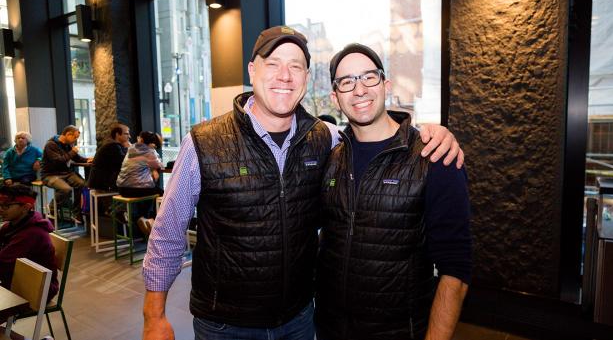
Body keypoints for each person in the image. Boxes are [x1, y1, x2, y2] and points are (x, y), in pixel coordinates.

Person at [142, 26, 463, 340]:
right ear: (253, 71)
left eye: (295, 66)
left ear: (306, 80)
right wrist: (153, 317)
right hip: (226, 325)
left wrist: (430, 134)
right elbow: (168, 233)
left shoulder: (326, 140)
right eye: (273, 64)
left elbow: (380, 135)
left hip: (298, 320)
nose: (285, 75)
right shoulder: (204, 142)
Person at [314, 44, 471, 340]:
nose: (359, 89)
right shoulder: (331, 159)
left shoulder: (434, 158)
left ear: (386, 85)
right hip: (330, 329)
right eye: (346, 82)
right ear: (335, 98)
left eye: (369, 77)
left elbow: (456, 271)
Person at [0, 184, 59, 302]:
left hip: (37, 289)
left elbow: (1, 262)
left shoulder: (32, 233)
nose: (0, 209)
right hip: (18, 279)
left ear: (26, 207)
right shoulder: (10, 226)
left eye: (6, 206)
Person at [41, 125, 92, 223]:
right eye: (75, 137)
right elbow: (58, 161)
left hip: (66, 173)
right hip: (50, 175)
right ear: (68, 134)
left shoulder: (68, 145)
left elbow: (76, 158)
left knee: (83, 185)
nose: (75, 140)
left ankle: (76, 213)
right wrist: (72, 152)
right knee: (66, 189)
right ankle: (52, 207)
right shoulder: (50, 145)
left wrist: (88, 160)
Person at [116, 131, 164, 230]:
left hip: (121, 188)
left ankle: (141, 217)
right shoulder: (149, 152)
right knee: (160, 192)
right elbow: (159, 165)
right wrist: (153, 154)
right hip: (136, 190)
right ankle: (151, 220)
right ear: (153, 144)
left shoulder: (131, 149)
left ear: (141, 139)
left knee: (151, 189)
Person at [88, 123, 131, 191]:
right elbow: (125, 163)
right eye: (126, 134)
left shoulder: (114, 145)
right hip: (104, 184)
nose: (129, 136)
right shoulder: (113, 146)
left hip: (104, 181)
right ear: (117, 134)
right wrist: (129, 149)